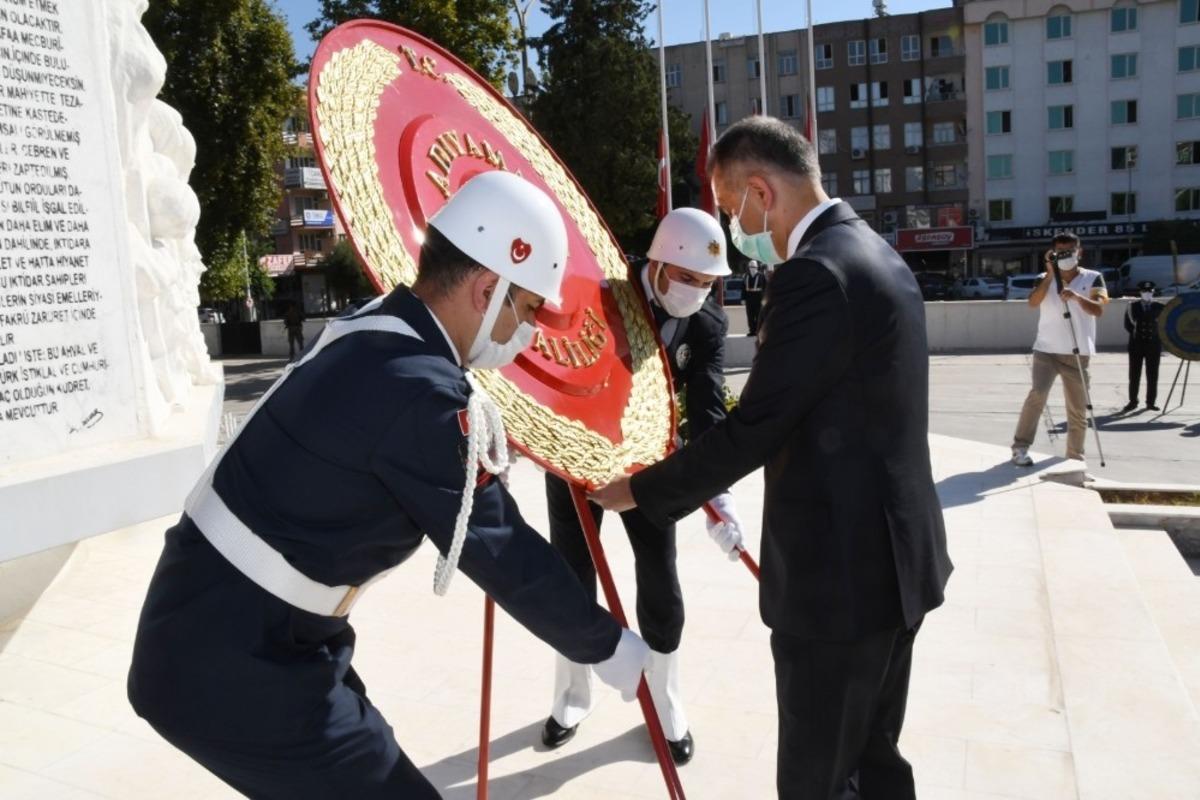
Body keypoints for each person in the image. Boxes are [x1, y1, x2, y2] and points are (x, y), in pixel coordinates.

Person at [127, 172, 650, 799]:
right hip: (234, 657)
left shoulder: (382, 326)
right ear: (488, 291)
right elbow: (501, 548)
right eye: (531, 310)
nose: (529, 332)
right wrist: (608, 645)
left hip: (242, 624)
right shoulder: (419, 390)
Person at [591, 116, 952, 799]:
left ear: (761, 192)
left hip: (839, 584)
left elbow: (753, 427)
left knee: (818, 778)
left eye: (733, 210)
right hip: (899, 566)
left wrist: (639, 489)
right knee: (873, 760)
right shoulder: (875, 252)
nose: (738, 229)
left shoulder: (814, 274)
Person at [540, 207, 745, 765]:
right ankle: (572, 695)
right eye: (687, 277)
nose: (696, 291)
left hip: (649, 466)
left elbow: (707, 412)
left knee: (660, 581)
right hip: (578, 453)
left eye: (707, 282)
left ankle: (664, 698)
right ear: (656, 263)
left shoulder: (706, 325)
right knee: (571, 575)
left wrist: (718, 496)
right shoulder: (603, 289)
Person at [1011, 233, 1108, 466]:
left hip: (1078, 353)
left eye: (1070, 251)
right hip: (1046, 350)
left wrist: (1076, 297)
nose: (1066, 256)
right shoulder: (1043, 278)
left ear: (1079, 252)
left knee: (1077, 407)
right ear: (1053, 253)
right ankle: (1020, 447)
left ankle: (1075, 456)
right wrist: (1050, 275)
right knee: (1037, 395)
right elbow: (1033, 303)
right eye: (1060, 252)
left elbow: (1098, 309)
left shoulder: (1093, 277)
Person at [1122, 280, 1164, 412]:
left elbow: (1164, 325)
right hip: (1136, 345)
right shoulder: (1132, 306)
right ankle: (1133, 401)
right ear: (1140, 292)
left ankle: (1151, 402)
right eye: (1145, 291)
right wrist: (1138, 336)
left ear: (1153, 292)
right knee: (1134, 375)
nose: (1147, 293)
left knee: (1152, 375)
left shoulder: (1160, 307)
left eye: (1150, 291)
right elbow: (1128, 325)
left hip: (1153, 345)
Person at [743, 259, 765, 335]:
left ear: (757, 267)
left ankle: (758, 330)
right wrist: (743, 298)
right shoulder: (746, 276)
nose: (752, 269)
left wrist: (764, 298)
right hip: (749, 297)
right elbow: (743, 288)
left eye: (753, 267)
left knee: (758, 314)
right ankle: (752, 330)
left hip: (758, 297)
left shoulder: (761, 276)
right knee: (750, 315)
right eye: (750, 267)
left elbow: (765, 287)